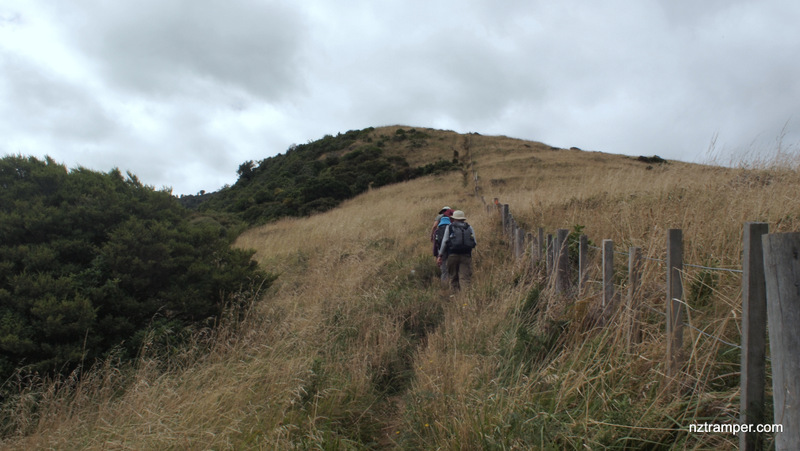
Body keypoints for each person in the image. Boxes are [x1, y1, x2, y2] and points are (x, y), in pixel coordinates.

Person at [437, 210, 476, 291]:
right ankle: (466, 295)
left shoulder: (450, 227)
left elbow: (444, 241)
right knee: (465, 278)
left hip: (452, 255)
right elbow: (474, 242)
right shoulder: (469, 227)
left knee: (453, 277)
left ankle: (454, 295)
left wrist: (440, 255)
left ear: (454, 218)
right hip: (466, 255)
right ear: (463, 219)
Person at [433, 214, 451, 284]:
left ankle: (444, 285)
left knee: (444, 270)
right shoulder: (452, 229)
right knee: (451, 269)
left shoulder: (437, 231)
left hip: (441, 252)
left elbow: (435, 245)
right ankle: (452, 285)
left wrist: (436, 255)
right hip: (451, 251)